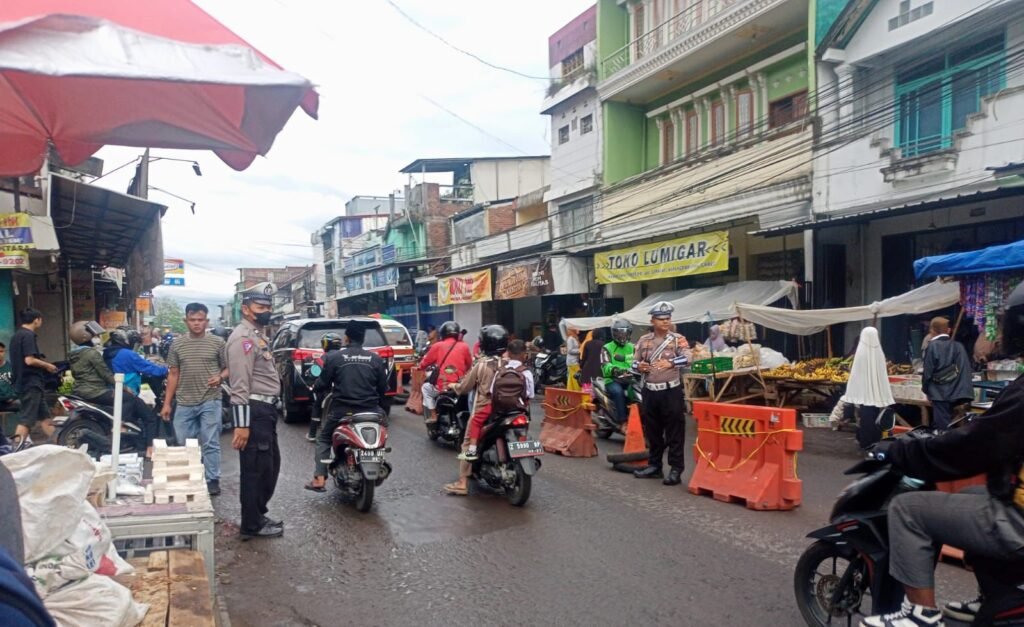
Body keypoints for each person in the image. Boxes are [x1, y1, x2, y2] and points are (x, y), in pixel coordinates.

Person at [859, 282, 1024, 627]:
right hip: (958, 403)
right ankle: (996, 596)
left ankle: (921, 614)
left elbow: (975, 447)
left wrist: (905, 450)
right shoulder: (961, 350)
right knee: (973, 494)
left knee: (907, 509)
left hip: (1018, 520)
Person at [225, 282, 284, 540]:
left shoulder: (256, 335)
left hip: (265, 411)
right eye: (260, 307)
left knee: (268, 467)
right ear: (246, 309)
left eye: (268, 307)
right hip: (254, 410)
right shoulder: (243, 339)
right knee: (255, 470)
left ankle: (258, 514)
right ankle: (251, 524)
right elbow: (239, 384)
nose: (266, 311)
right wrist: (241, 424)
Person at [304, 322, 388, 492]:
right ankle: (378, 457)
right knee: (384, 431)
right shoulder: (376, 359)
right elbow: (383, 388)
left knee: (324, 439)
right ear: (363, 339)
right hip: (372, 410)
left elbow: (322, 383)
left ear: (347, 338)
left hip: (342, 410)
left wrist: (316, 387)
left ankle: (319, 478)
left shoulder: (334, 358)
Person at [161, 303, 229, 496]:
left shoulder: (218, 343)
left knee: (210, 442)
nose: (197, 323)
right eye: (193, 320)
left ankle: (212, 479)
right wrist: (167, 404)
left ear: (206, 321)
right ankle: (191, 475)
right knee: (183, 443)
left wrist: (220, 377)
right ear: (186, 321)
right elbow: (173, 374)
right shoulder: (177, 345)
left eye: (200, 320)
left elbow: (228, 368)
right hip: (184, 401)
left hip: (211, 399)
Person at [68, 320, 160, 456]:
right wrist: (124, 387)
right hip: (96, 391)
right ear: (85, 337)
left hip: (81, 390)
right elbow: (105, 374)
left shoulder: (74, 354)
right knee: (129, 399)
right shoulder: (92, 354)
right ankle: (119, 427)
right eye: (94, 335)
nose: (97, 338)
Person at [443, 325, 508, 496]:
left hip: (485, 408)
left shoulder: (481, 365)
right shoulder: (510, 363)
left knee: (467, 443)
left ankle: (462, 483)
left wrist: (453, 386)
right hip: (508, 408)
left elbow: (465, 387)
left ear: (484, 344)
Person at [633, 302, 690, 486]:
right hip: (650, 391)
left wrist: (671, 363)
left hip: (671, 391)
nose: (665, 321)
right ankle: (655, 466)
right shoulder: (644, 340)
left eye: (668, 318)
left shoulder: (677, 339)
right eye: (661, 319)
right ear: (652, 321)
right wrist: (639, 366)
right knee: (653, 431)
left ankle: (676, 469)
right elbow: (633, 363)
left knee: (675, 432)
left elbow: (689, 357)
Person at [10, 308, 58, 451]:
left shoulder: (16, 335)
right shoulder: (28, 335)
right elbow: (29, 360)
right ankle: (15, 450)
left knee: (45, 417)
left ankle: (61, 444)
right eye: (40, 319)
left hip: (27, 382)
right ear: (36, 320)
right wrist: (48, 365)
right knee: (27, 419)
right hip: (30, 382)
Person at [840, 326, 895, 449]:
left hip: (863, 392)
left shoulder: (860, 353)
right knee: (875, 416)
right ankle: (875, 439)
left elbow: (856, 374)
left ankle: (865, 441)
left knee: (865, 417)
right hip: (876, 393)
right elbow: (881, 374)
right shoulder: (879, 353)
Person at [921, 316, 973, 431]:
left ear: (932, 330)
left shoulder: (933, 346)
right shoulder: (959, 346)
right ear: (948, 330)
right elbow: (966, 369)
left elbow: (928, 373)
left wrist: (926, 390)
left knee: (943, 427)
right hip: (959, 393)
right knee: (954, 424)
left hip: (940, 393)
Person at [418, 321, 472, 426]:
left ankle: (433, 415)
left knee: (425, 388)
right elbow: (469, 365)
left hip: (443, 386)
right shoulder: (464, 346)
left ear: (442, 334)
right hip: (460, 385)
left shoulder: (437, 346)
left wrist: (420, 367)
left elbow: (425, 362)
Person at [103, 327, 168, 395]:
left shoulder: (108, 352)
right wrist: (166, 370)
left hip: (111, 387)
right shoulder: (127, 354)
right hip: (126, 390)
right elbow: (147, 367)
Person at [306, 332, 343, 442]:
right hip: (343, 389)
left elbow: (315, 372)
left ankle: (312, 434)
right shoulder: (344, 355)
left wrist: (309, 374)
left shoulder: (324, 357)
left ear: (326, 344)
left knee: (317, 406)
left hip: (327, 390)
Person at [601, 320, 635, 424]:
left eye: (625, 333)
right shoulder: (607, 348)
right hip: (612, 380)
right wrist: (616, 370)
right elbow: (605, 365)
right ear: (614, 333)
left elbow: (638, 360)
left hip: (631, 378)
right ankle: (622, 421)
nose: (623, 336)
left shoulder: (632, 347)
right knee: (618, 392)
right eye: (620, 333)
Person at [578, 328, 605, 394]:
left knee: (587, 395)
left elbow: (584, 358)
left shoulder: (587, 344)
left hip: (587, 373)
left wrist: (581, 366)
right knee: (599, 393)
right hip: (599, 373)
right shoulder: (604, 345)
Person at [0, 342, 18, 412]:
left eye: (1, 351)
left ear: (4, 352)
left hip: (11, 401)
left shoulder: (12, 367)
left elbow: (19, 384)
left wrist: (13, 397)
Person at [565, 326, 581, 392]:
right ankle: (576, 391)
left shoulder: (575, 338)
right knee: (575, 377)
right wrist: (580, 350)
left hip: (575, 360)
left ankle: (571, 391)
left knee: (572, 377)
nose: (578, 330)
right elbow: (570, 350)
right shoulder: (570, 339)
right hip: (572, 361)